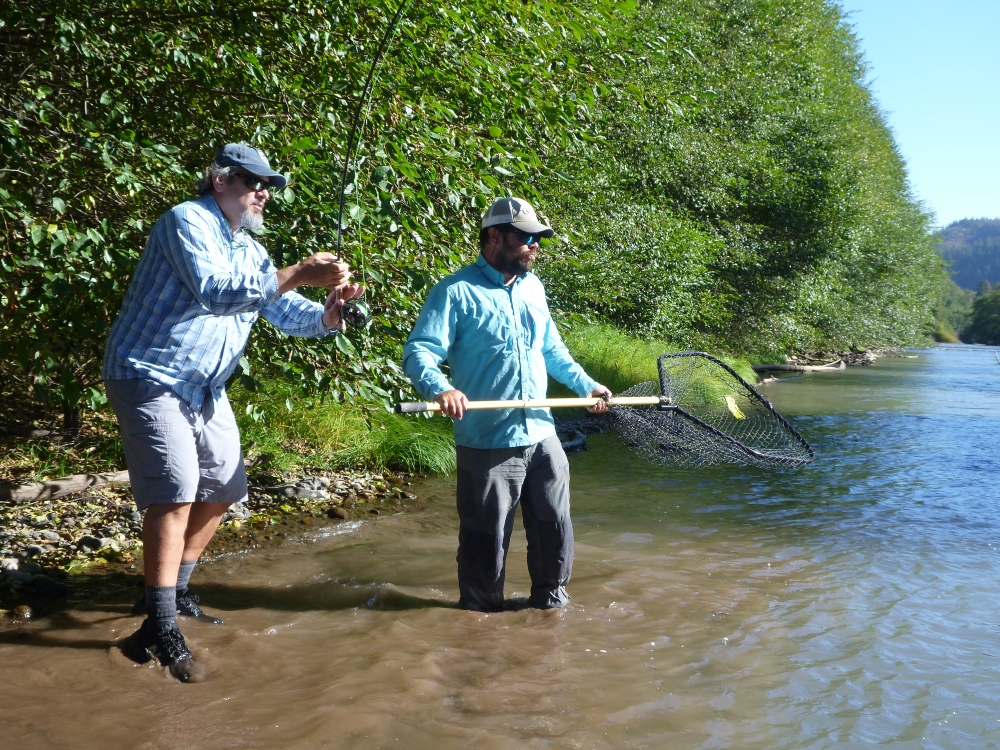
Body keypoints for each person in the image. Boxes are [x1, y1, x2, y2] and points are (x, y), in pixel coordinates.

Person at [102, 143, 364, 681]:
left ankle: (171, 593)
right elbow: (218, 293)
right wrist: (299, 270)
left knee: (223, 486)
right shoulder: (186, 221)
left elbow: (287, 313)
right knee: (175, 488)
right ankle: (161, 623)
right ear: (220, 181)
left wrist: (331, 315)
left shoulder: (248, 247)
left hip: (205, 387)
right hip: (150, 375)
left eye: (267, 185)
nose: (263, 192)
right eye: (253, 182)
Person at [403, 197, 612, 612]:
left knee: (556, 533)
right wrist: (440, 388)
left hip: (542, 434)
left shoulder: (534, 288)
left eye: (539, 239)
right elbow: (419, 353)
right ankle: (479, 625)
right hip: (487, 441)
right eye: (527, 237)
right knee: (485, 544)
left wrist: (587, 385)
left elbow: (553, 351)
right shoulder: (454, 291)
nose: (535, 246)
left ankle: (551, 614)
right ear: (495, 236)